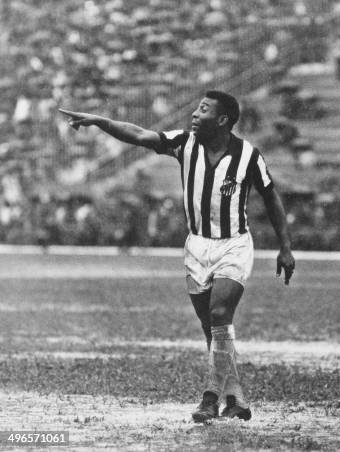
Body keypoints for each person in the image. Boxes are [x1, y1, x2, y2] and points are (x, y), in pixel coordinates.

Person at [58, 90, 296, 423]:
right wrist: (101, 122)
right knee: (210, 328)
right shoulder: (184, 143)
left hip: (233, 245)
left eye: (203, 110)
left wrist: (285, 247)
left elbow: (271, 199)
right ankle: (235, 398)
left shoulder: (248, 157)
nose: (195, 115)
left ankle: (210, 399)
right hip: (196, 246)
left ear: (223, 120)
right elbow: (140, 135)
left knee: (220, 312)